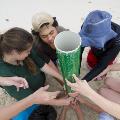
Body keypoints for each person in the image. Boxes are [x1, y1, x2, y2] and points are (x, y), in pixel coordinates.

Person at [0, 27, 71, 120]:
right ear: (15, 52)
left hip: (39, 88)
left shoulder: (25, 48)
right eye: (27, 51)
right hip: (30, 94)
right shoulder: (4, 70)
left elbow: (42, 65)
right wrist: (61, 102)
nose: (30, 52)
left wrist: (62, 79)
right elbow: (32, 98)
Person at [79, 10, 120, 82]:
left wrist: (83, 82)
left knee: (102, 69)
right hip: (94, 52)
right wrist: (77, 67)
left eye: (94, 41)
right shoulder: (88, 26)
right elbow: (81, 47)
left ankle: (101, 75)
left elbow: (102, 64)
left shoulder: (117, 40)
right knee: (90, 63)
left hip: (109, 53)